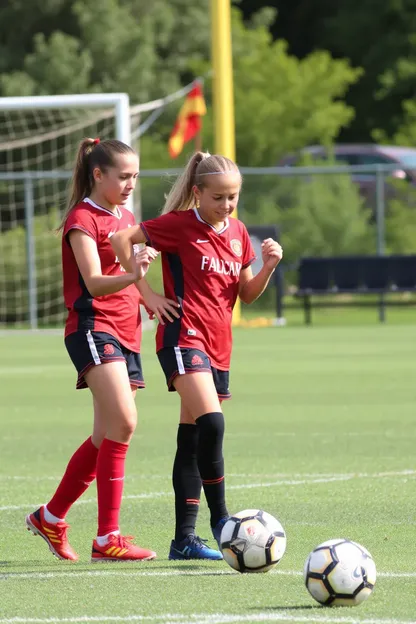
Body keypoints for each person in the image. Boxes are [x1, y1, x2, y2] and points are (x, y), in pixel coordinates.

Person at [110, 152, 283, 561]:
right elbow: (121, 240)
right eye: (219, 197)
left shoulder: (239, 232)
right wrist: (147, 294)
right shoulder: (178, 225)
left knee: (191, 441)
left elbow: (245, 295)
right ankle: (222, 522)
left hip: (220, 346)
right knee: (213, 424)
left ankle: (183, 541)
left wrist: (270, 266)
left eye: (233, 197)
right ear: (198, 192)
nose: (226, 205)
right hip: (183, 338)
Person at [25, 138, 178, 562]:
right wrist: (133, 275)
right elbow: (93, 282)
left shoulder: (125, 217)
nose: (131, 184)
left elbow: (132, 275)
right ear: (98, 174)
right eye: (123, 176)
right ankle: (107, 537)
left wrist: (148, 296)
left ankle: (51, 518)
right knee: (125, 424)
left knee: (105, 434)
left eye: (135, 176)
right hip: (94, 328)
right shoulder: (82, 220)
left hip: (127, 332)